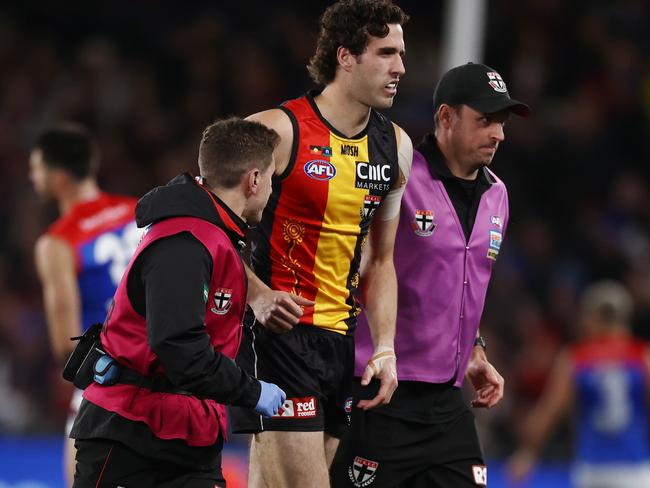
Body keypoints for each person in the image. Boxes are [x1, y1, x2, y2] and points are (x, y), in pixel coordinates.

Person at [229, 1, 412, 486]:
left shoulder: (396, 147)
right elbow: (209, 227)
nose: (400, 68)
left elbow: (382, 260)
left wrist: (387, 347)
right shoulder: (277, 131)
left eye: (401, 54)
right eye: (386, 53)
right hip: (278, 338)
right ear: (346, 56)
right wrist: (259, 294)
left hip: (340, 345)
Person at [330, 62, 530, 487]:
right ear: (445, 117)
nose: (499, 134)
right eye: (486, 121)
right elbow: (358, 267)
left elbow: (464, 285)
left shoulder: (498, 194)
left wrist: (474, 349)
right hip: (382, 391)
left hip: (446, 402)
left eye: (502, 123)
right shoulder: (398, 177)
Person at [69, 117, 286, 487]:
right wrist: (251, 391)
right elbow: (177, 345)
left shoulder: (215, 238)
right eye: (270, 178)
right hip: (131, 438)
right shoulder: (184, 242)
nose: (271, 188)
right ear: (253, 180)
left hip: (191, 437)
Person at [30, 123, 141, 486]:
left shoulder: (58, 243)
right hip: (166, 375)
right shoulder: (138, 211)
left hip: (104, 387)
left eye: (36, 168)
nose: (32, 177)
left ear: (59, 177)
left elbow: (66, 343)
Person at [508, 280, 650, 488]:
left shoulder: (577, 358)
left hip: (592, 468)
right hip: (635, 469)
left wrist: (527, 452)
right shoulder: (642, 356)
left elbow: (551, 410)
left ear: (592, 317)